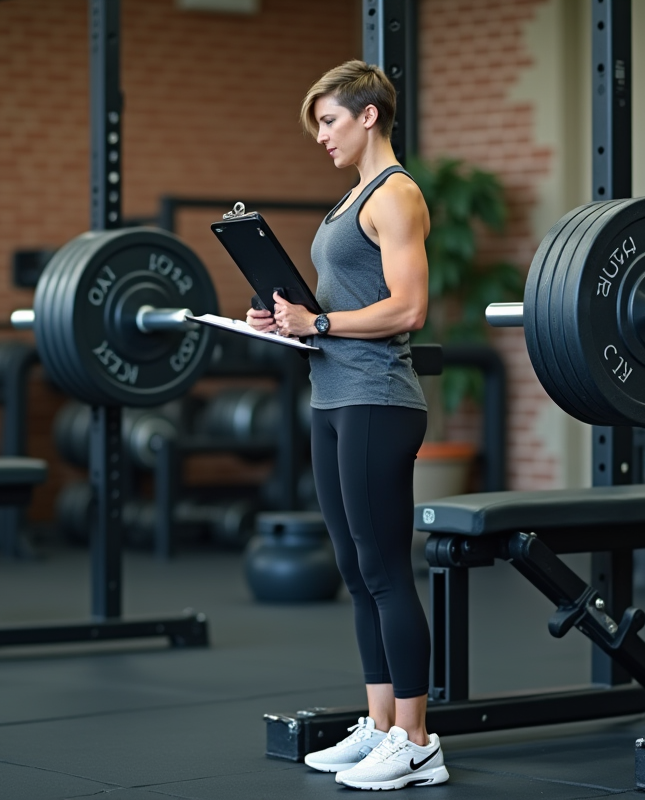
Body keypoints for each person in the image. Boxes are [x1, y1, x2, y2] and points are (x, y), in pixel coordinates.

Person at [246, 60, 447, 792]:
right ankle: (381, 724)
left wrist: (321, 320)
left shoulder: (396, 196)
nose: (321, 136)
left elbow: (407, 307)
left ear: (368, 115)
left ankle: (419, 739)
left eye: (328, 121)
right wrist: (291, 323)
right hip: (331, 397)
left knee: (388, 572)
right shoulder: (349, 201)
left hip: (377, 401)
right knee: (359, 576)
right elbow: (339, 308)